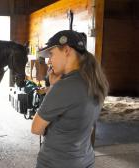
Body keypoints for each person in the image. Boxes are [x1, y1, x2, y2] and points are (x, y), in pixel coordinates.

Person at [31, 30, 109, 168]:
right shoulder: (95, 81)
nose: (49, 61)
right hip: (85, 159)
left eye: (51, 54)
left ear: (66, 50)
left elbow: (36, 128)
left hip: (56, 162)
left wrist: (52, 89)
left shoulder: (63, 87)